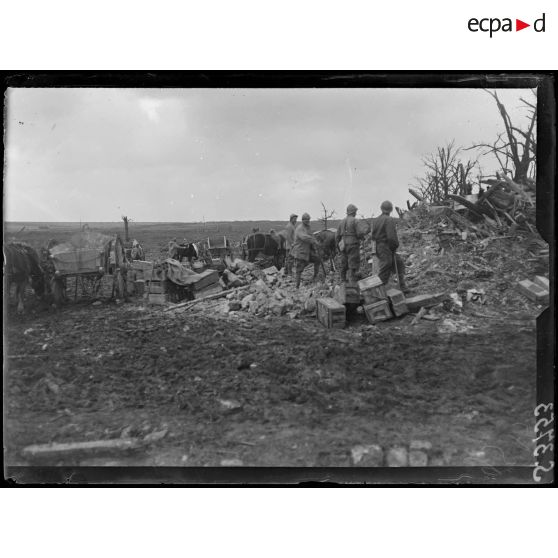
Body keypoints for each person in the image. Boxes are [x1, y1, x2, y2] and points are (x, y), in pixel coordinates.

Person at [371, 200, 409, 293]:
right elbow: (391, 237)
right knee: (385, 267)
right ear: (391, 209)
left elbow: (372, 236)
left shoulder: (375, 220)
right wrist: (394, 246)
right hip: (386, 247)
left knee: (399, 263)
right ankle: (376, 291)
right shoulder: (389, 220)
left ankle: (402, 286)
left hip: (380, 247)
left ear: (381, 209)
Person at [336, 203, 368, 283]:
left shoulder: (341, 222)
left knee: (344, 263)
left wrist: (338, 247)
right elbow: (359, 233)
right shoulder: (355, 221)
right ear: (353, 212)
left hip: (343, 245)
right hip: (353, 244)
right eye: (355, 211)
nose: (356, 213)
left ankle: (343, 280)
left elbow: (337, 236)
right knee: (353, 263)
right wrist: (362, 238)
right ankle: (352, 282)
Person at [291, 213, 321, 288]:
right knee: (299, 269)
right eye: (306, 220)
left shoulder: (308, 227)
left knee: (317, 259)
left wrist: (315, 245)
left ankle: (315, 277)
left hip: (308, 251)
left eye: (308, 219)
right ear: (303, 220)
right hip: (300, 251)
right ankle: (297, 286)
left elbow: (311, 235)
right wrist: (314, 241)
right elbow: (305, 237)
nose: (308, 221)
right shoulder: (300, 228)